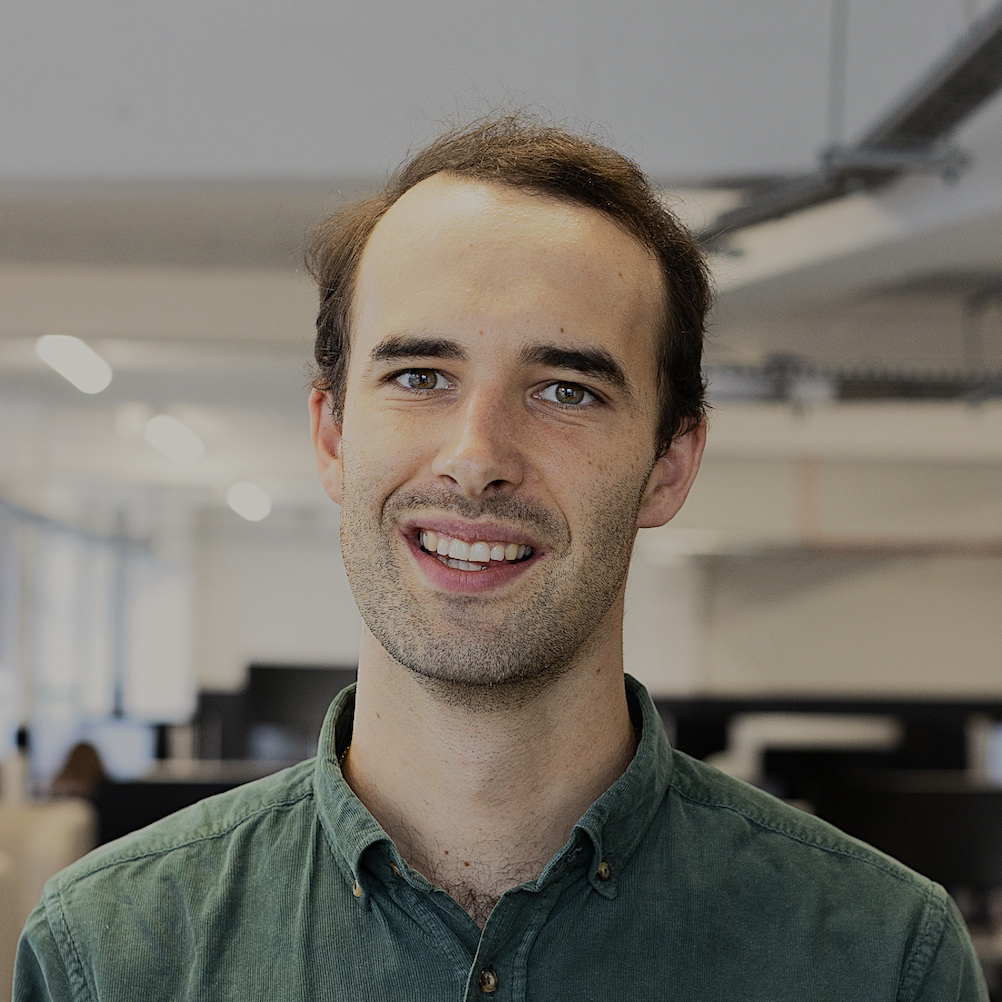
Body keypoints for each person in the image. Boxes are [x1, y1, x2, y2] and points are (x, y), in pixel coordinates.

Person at [14, 116, 987, 1001]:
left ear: (669, 466)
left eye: (566, 390)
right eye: (419, 375)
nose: (476, 456)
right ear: (332, 436)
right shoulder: (107, 953)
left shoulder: (880, 959)